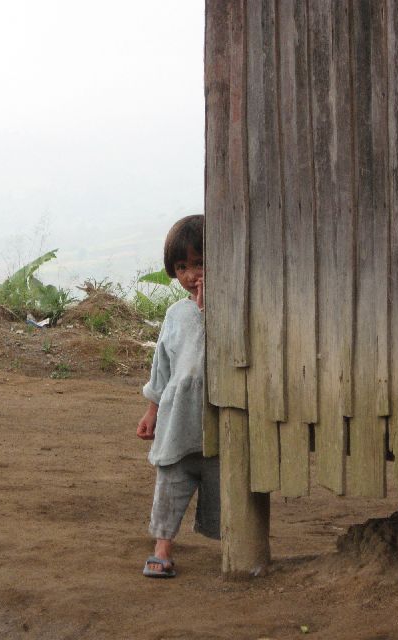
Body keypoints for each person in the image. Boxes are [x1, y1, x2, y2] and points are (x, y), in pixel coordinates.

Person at [137, 214, 220, 578]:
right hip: (177, 418)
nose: (190, 275)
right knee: (171, 479)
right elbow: (163, 367)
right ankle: (163, 547)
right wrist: (152, 410)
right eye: (182, 266)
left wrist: (207, 310)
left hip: (218, 419)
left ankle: (236, 546)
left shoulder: (230, 309)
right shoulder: (174, 314)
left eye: (199, 263)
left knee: (222, 483)